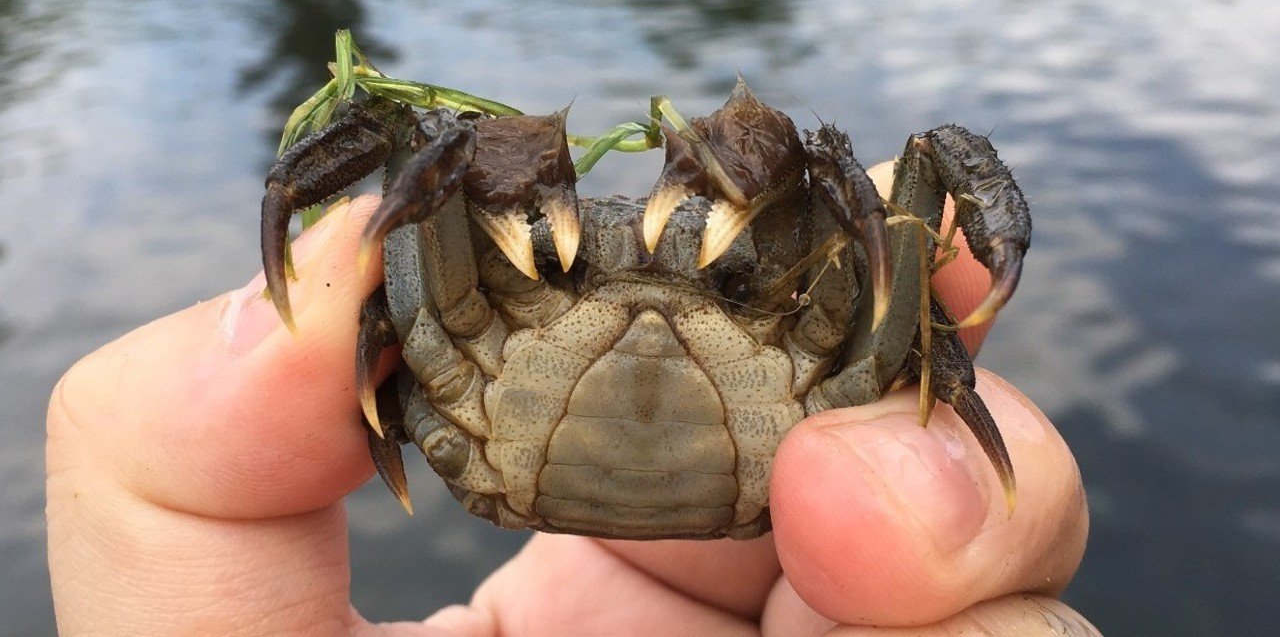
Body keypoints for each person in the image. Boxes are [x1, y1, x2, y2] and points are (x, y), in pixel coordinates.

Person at [46, 194, 1099, 636]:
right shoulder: (455, 325)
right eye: (590, 252)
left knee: (907, 236)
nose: (640, 279)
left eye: (689, 242)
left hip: (524, 446)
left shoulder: (813, 305)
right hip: (717, 466)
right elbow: (415, 223)